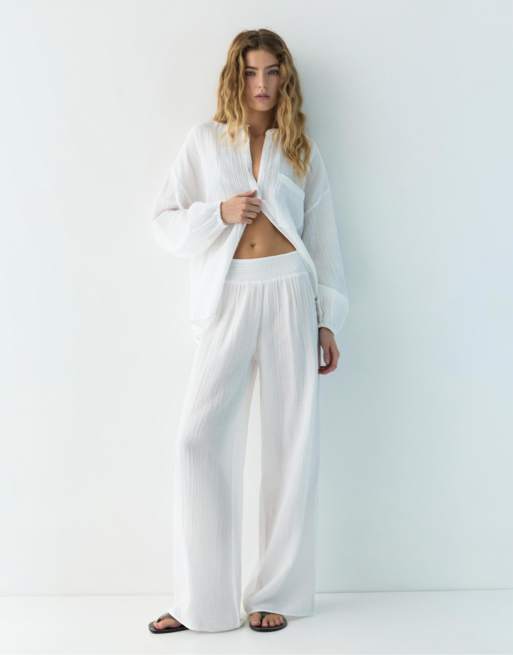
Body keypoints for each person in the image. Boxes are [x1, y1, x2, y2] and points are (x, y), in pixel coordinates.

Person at [148, 28, 349, 634]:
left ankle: (276, 591)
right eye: (251, 73)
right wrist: (219, 212)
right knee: (197, 439)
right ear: (235, 78)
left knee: (291, 443)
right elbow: (164, 219)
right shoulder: (206, 141)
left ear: (285, 78)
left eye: (272, 72)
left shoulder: (301, 147)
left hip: (290, 291)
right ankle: (202, 602)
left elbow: (323, 237)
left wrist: (327, 319)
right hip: (229, 294)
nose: (261, 85)